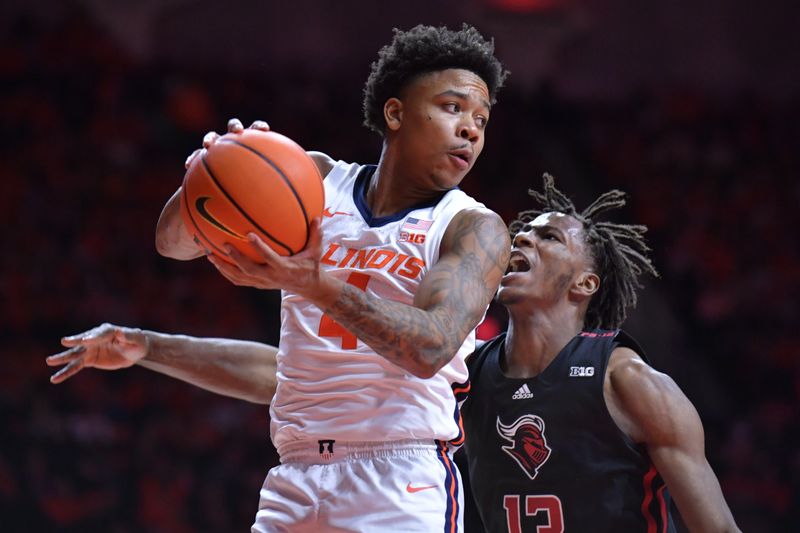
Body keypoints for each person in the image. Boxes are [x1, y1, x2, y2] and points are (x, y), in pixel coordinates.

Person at [49, 24, 510, 532]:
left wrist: (317, 284)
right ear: (395, 112)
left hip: (399, 483)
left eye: (481, 120)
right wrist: (216, 165)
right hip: (295, 479)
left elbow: (429, 348)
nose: (470, 129)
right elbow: (174, 244)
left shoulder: (472, 228)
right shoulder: (316, 183)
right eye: (452, 108)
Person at [460, 174, 740, 532]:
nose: (522, 237)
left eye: (549, 236)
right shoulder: (467, 372)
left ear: (584, 283)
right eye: (523, 232)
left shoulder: (627, 380)